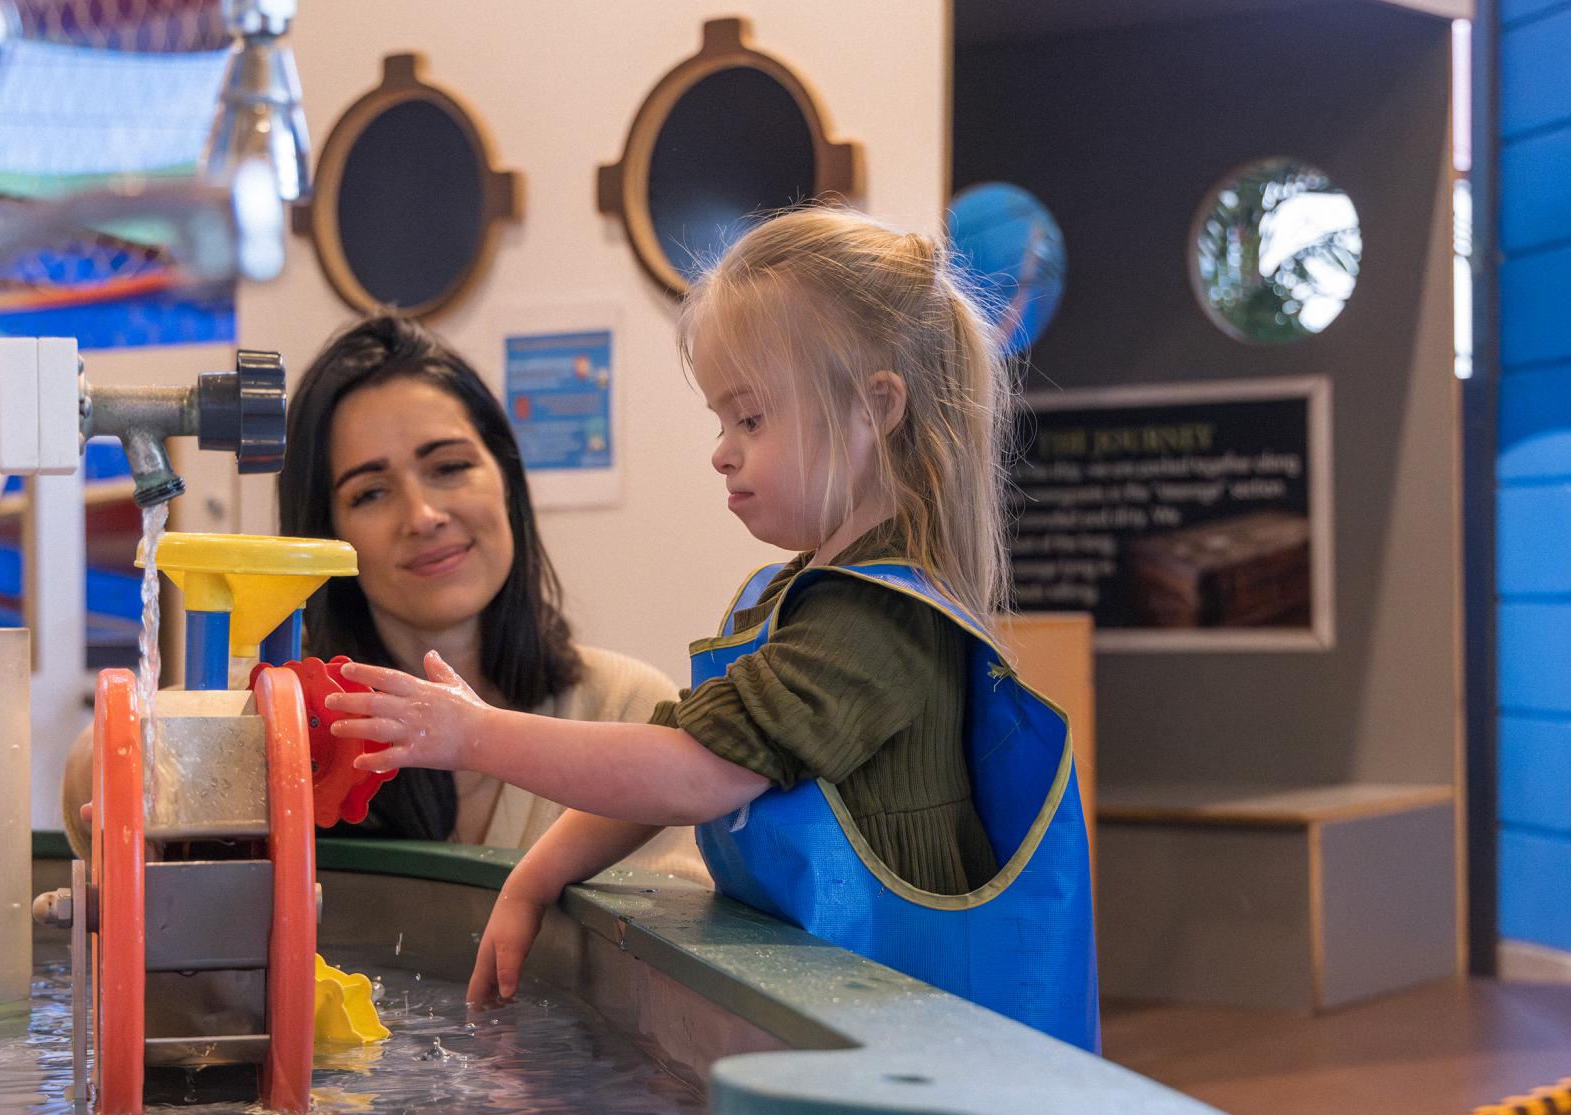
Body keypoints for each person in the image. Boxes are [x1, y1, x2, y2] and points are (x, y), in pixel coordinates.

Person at [323, 209, 1099, 1052]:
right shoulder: (805, 596)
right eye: (720, 423)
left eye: (751, 420)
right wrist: (536, 875)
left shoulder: (880, 623)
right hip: (839, 1024)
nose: (722, 453)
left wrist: (475, 737)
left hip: (911, 1040)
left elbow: (697, 775)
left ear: (874, 407)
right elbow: (676, 756)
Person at [60, 315, 706, 884]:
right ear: (326, 532)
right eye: (370, 493)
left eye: (450, 466)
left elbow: (676, 941)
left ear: (506, 477)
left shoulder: (630, 709)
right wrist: (161, 768)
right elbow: (95, 764)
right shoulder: (275, 717)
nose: (423, 515)